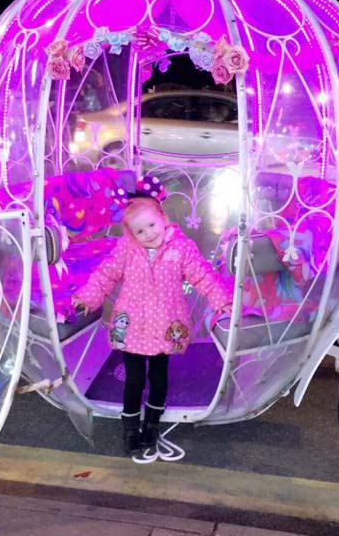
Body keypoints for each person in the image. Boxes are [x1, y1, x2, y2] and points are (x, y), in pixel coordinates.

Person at [72, 178, 232, 456]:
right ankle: (130, 428)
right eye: (140, 230)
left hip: (165, 325)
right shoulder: (125, 251)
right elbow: (105, 275)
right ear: (131, 233)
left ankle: (152, 424)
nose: (148, 233)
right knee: (134, 379)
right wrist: (88, 298)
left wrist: (222, 301)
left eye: (152, 225)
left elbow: (203, 276)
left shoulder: (181, 249)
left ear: (164, 218)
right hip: (132, 325)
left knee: (158, 378)